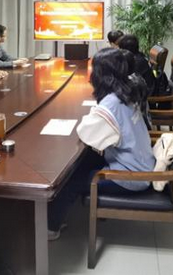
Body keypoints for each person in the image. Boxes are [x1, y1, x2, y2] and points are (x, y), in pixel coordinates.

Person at [47, 48, 155, 240]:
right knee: (82, 161)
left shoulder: (112, 103)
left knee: (71, 180)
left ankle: (50, 228)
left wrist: (93, 113)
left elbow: (86, 133)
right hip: (141, 162)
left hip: (132, 176)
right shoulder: (127, 91)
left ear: (101, 74)